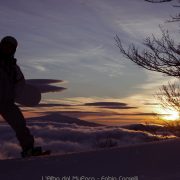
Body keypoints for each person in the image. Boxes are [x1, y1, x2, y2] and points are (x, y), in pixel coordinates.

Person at [0, 36, 42, 157]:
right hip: (7, 101)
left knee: (20, 125)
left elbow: (20, 83)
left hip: (7, 102)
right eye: (5, 45)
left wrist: (13, 96)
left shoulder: (13, 67)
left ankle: (28, 149)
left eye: (10, 47)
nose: (7, 48)